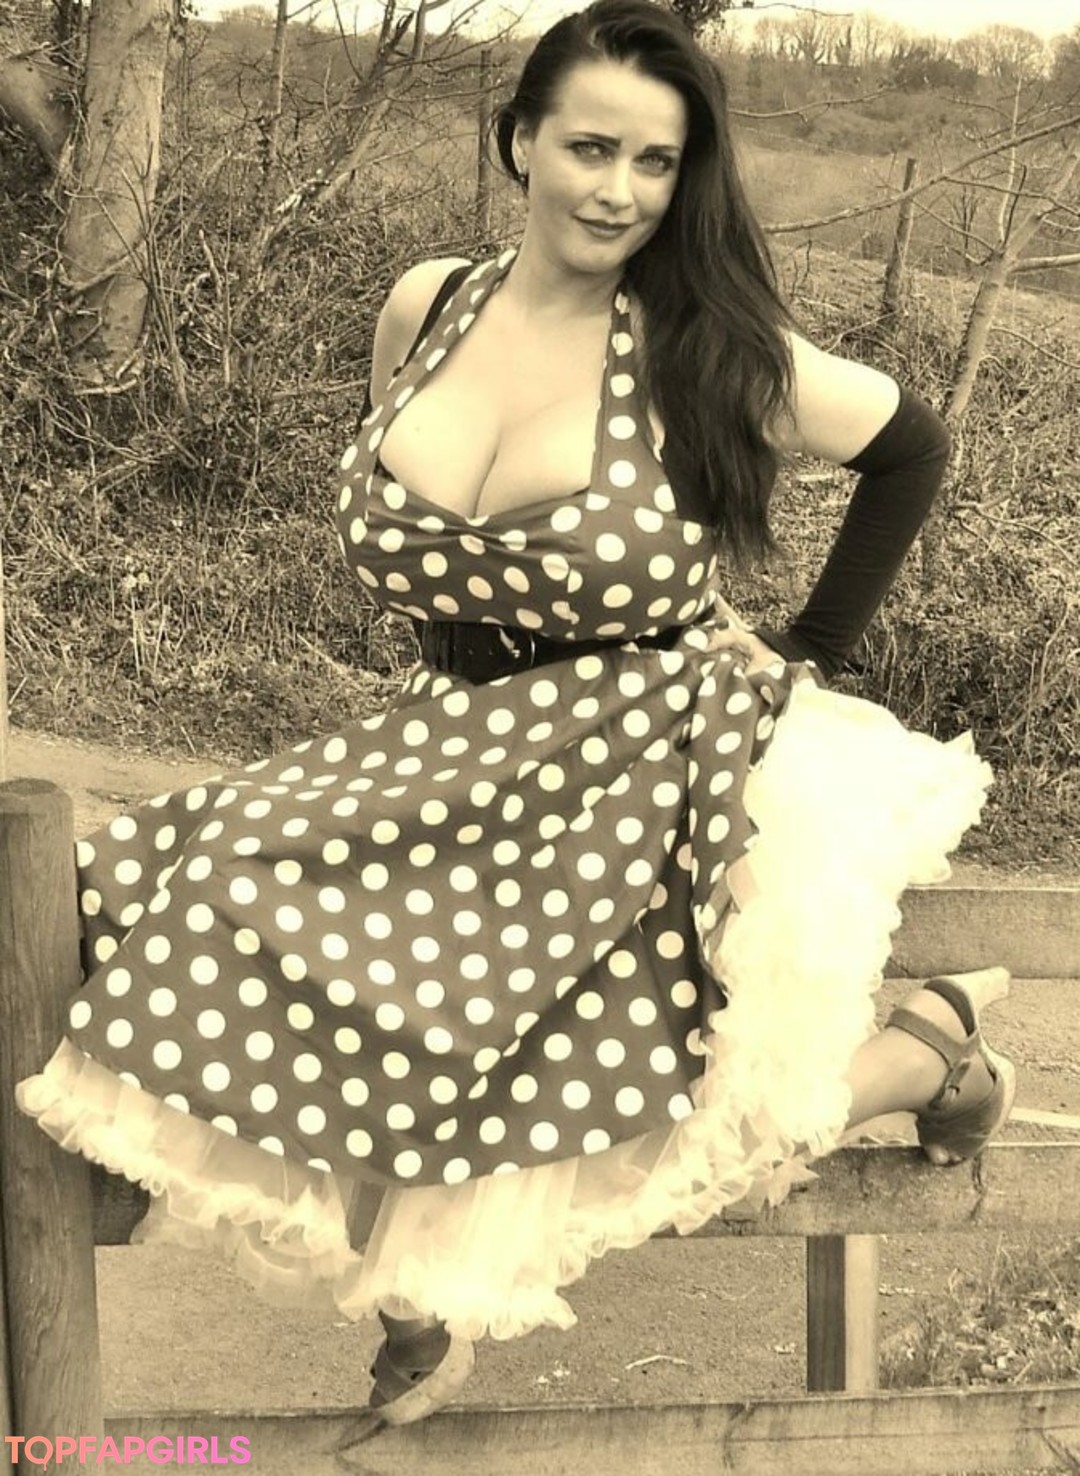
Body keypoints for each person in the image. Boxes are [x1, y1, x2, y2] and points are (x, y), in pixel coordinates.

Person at [17, 0, 1014, 1432]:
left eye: (657, 163)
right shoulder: (427, 306)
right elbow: (413, 522)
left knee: (642, 1106)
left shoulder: (704, 348)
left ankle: (923, 1053)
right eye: (591, 148)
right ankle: (418, 1298)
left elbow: (912, 447)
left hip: (644, 747)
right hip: (460, 728)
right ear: (520, 142)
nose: (620, 190)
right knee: (159, 886)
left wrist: (810, 652)